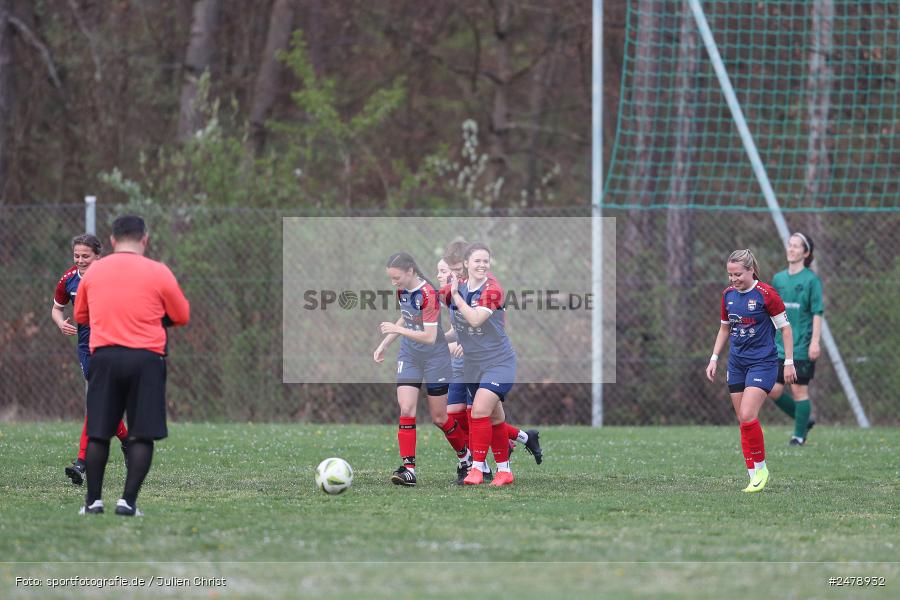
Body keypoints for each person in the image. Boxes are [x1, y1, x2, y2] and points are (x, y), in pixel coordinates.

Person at [73, 215, 190, 515]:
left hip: (106, 357)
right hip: (146, 359)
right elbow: (181, 315)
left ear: (112, 241)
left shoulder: (94, 272)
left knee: (99, 432)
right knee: (141, 433)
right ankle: (127, 502)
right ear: (144, 239)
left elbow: (81, 316)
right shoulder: (158, 271)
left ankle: (93, 502)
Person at [438, 240, 541, 485]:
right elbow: (456, 324)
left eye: (486, 260)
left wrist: (455, 296)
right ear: (465, 265)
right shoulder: (457, 288)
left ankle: (477, 469)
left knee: (479, 412)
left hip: (498, 362)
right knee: (494, 419)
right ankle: (504, 471)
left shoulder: (492, 289)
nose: (482, 265)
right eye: (477, 261)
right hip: (473, 365)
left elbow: (474, 319)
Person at [373, 252, 468, 487]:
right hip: (410, 355)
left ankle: (466, 457)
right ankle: (409, 470)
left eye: (396, 277)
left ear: (410, 272)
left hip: (435, 357)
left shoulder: (429, 294)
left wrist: (400, 333)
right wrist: (385, 344)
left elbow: (429, 336)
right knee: (406, 408)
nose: (394, 282)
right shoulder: (402, 290)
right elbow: (406, 317)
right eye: (391, 278)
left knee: (439, 417)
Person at [705, 249, 795, 493]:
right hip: (736, 364)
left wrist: (788, 361)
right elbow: (724, 329)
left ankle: (762, 469)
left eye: (737, 274)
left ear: (751, 270)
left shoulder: (767, 295)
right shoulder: (728, 296)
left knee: (747, 414)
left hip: (762, 363)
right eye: (730, 275)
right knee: (743, 421)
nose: (733, 279)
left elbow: (785, 329)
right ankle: (753, 474)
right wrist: (714, 358)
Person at [51, 234, 128, 485]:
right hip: (86, 348)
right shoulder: (68, 279)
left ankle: (82, 464)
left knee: (98, 400)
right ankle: (127, 442)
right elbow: (56, 308)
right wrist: (61, 323)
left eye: (86, 256)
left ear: (98, 256)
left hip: (113, 345)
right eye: (77, 256)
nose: (80, 260)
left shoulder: (113, 278)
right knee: (101, 401)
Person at [768, 233, 823, 445]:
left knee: (799, 389)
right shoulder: (778, 279)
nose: (791, 249)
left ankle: (798, 436)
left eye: (796, 246)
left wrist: (815, 342)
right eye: (789, 245)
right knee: (772, 389)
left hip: (801, 346)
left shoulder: (811, 280)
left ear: (806, 252)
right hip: (779, 345)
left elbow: (817, 312)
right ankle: (803, 421)